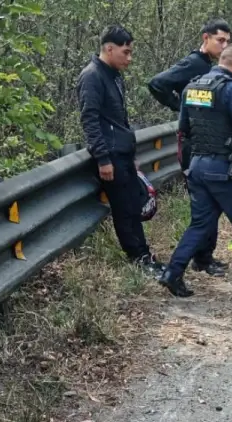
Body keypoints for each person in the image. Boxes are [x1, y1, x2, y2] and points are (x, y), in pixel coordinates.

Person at [158, 45, 232, 297]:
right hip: (223, 169)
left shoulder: (191, 87)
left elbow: (183, 128)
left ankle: (172, 272)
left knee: (200, 224)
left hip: (197, 167)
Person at [146, 19, 232, 277]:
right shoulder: (194, 63)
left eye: (228, 41)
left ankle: (204, 256)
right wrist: (181, 108)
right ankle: (200, 258)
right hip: (193, 146)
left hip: (207, 144)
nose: (225, 45)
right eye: (220, 40)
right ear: (205, 38)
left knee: (211, 203)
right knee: (205, 204)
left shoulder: (210, 67)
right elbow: (157, 83)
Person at [76, 25, 164, 273]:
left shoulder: (114, 75)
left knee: (133, 206)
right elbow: (89, 120)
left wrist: (132, 155)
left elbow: (120, 120)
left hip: (123, 154)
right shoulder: (92, 76)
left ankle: (144, 255)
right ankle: (139, 259)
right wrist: (103, 159)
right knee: (124, 210)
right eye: (126, 52)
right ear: (109, 48)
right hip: (110, 157)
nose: (129, 58)